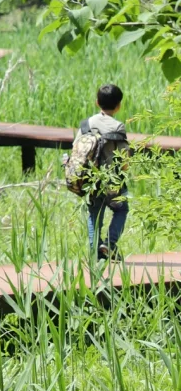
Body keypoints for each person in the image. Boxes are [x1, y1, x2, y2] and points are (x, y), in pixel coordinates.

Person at [82, 82, 130, 261]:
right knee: (121, 209)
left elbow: (77, 149)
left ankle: (95, 250)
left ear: (97, 102)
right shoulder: (118, 126)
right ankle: (109, 244)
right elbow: (124, 157)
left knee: (95, 215)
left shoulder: (87, 124)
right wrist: (124, 173)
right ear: (118, 106)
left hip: (90, 179)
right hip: (112, 180)